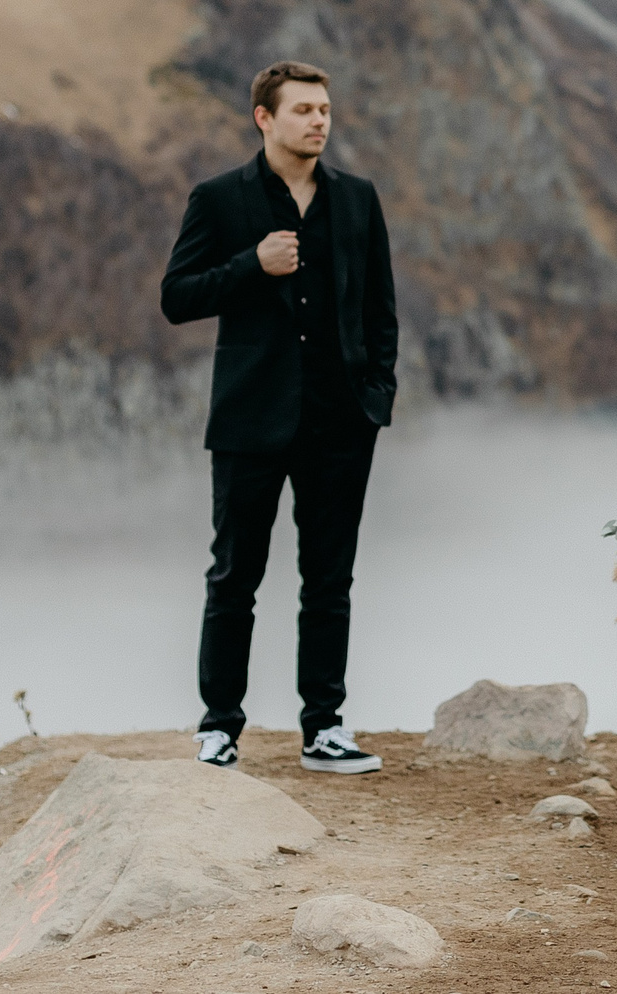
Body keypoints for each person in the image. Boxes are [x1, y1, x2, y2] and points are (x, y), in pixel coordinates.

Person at [160, 60, 398, 775]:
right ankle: (218, 727)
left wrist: (375, 400)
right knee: (235, 576)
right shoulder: (220, 199)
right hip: (249, 421)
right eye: (302, 110)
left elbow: (381, 309)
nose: (319, 121)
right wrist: (250, 266)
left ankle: (324, 727)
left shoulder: (356, 200)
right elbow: (177, 297)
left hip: (340, 424)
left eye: (324, 109)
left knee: (330, 581)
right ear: (264, 117)